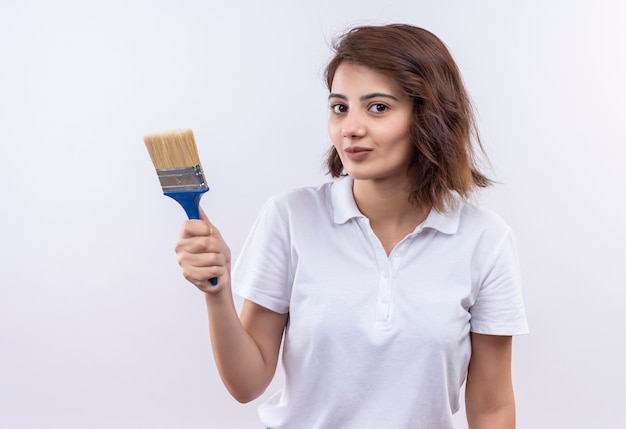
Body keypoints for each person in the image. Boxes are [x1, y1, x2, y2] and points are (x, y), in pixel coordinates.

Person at [175, 23, 528, 429]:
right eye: (340, 107)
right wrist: (216, 292)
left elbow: (492, 407)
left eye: (378, 107)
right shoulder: (291, 217)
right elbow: (246, 383)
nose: (350, 128)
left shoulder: (485, 240)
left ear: (429, 117)